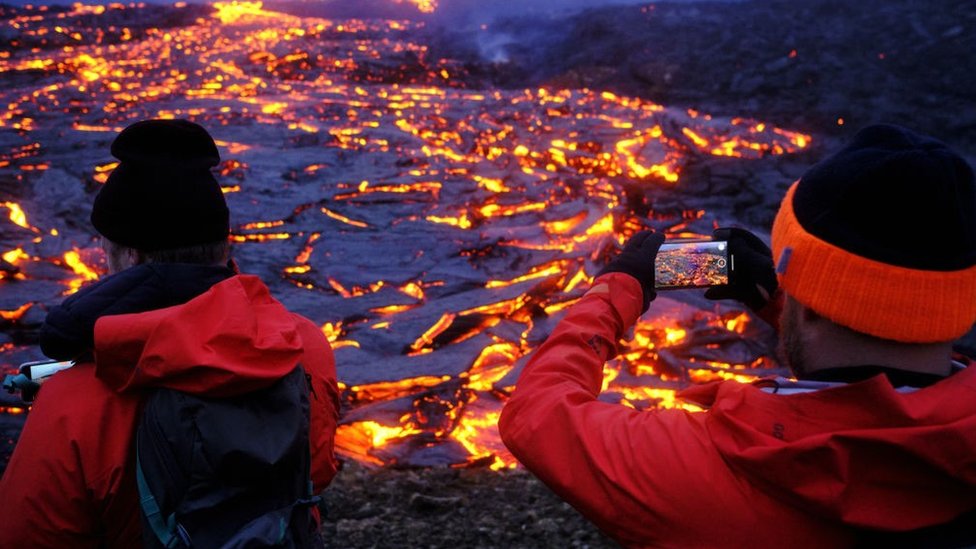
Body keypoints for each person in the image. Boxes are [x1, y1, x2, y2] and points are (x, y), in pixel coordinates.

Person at [498, 124, 976, 547]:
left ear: (807, 296)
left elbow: (535, 413)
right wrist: (781, 303)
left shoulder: (705, 471)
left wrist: (622, 286)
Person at [0, 119, 341, 546]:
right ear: (224, 246)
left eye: (104, 248)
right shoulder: (304, 347)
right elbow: (318, 471)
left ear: (128, 254)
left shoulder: (74, 402)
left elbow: (23, 536)